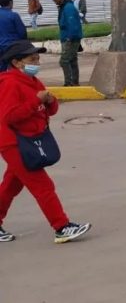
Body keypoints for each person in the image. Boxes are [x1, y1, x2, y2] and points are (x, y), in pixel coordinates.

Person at [0, 39, 91, 245]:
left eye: (38, 58)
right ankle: (61, 227)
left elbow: (49, 109)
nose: (37, 62)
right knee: (43, 185)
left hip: (30, 140)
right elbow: (9, 117)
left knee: (11, 185)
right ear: (17, 62)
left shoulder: (32, 82)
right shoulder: (10, 84)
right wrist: (37, 100)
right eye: (32, 59)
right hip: (14, 142)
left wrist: (49, 102)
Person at [0, 0, 28, 72]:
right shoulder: (14, 15)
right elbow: (22, 33)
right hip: (12, 47)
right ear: (10, 3)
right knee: (13, 68)